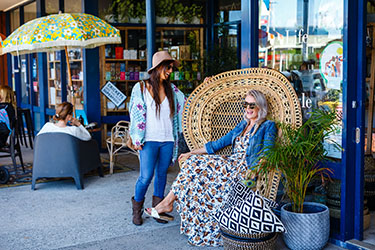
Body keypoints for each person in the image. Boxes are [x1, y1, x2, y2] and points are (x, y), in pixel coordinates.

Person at [145, 89, 277, 246]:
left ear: (260, 107)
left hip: (245, 169)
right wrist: (191, 152)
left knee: (194, 164)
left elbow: (269, 152)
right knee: (192, 162)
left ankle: (167, 203)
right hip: (230, 164)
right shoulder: (242, 125)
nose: (248, 108)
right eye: (245, 104)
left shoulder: (267, 126)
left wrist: (255, 170)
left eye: (252, 105)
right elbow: (218, 144)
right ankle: (168, 203)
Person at [128, 50, 185, 226]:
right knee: (145, 176)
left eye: (171, 68)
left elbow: (189, 103)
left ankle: (157, 210)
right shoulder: (141, 87)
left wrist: (206, 86)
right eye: (167, 67)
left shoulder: (173, 90)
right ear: (157, 67)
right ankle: (137, 209)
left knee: (161, 175)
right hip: (149, 140)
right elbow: (135, 113)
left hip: (168, 140)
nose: (170, 71)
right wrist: (136, 138)